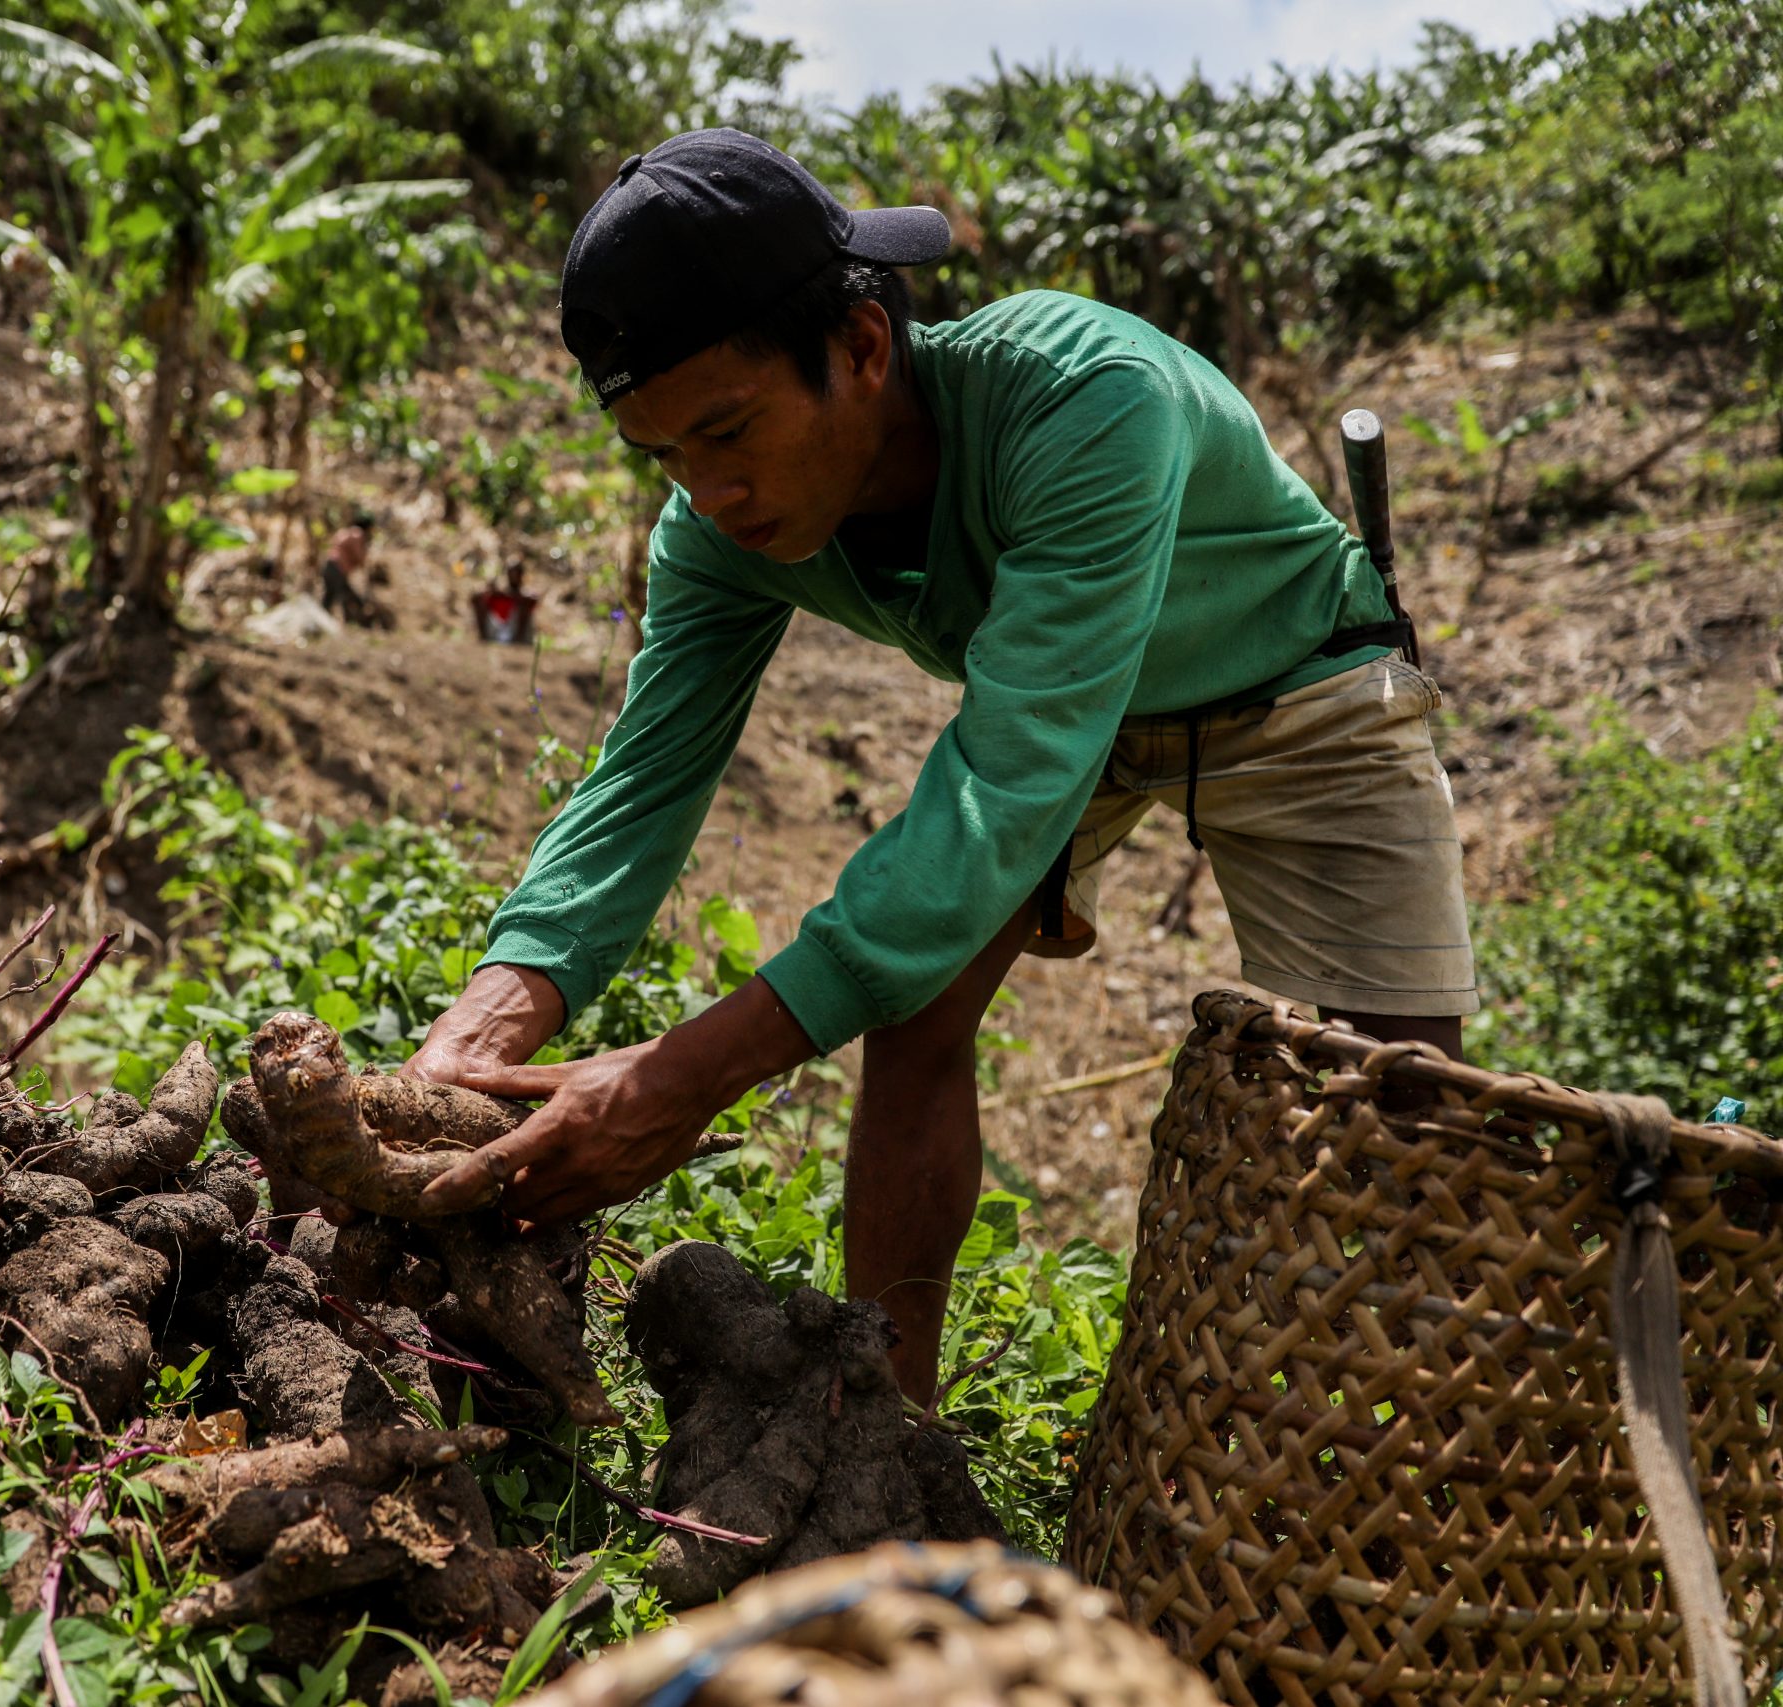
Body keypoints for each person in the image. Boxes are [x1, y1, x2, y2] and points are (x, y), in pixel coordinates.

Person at [403, 129, 1474, 1406]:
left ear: (862, 348)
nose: (712, 491)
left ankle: (1403, 1449)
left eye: (731, 431)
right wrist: (476, 1035)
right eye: (666, 455)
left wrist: (676, 1079)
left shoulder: (1085, 400)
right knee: (913, 1009)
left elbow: (1009, 778)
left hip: (1298, 689)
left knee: (1403, 1125)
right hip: (1065, 709)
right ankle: (886, 1428)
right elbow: (642, 782)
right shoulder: (719, 533)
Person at [321, 509, 378, 625]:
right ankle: (351, 622)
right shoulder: (357, 534)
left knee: (332, 595)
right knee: (342, 596)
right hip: (337, 569)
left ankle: (328, 620)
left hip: (329, 566)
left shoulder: (345, 532)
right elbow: (359, 556)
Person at [471, 559, 541, 644]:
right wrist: (490, 591)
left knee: (523, 606)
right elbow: (475, 598)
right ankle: (484, 639)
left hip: (517, 632)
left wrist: (509, 595)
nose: (513, 576)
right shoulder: (499, 593)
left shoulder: (526, 593)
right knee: (481, 604)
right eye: (511, 573)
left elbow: (532, 599)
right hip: (499, 629)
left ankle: (518, 642)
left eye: (516, 573)